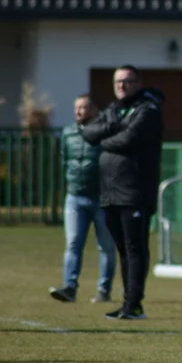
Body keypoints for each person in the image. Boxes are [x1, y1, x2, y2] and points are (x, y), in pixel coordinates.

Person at [81, 65, 165, 320]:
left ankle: (134, 305)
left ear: (138, 82)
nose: (122, 85)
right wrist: (111, 127)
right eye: (118, 81)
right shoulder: (113, 109)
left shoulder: (147, 110)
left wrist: (105, 140)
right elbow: (88, 132)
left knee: (135, 248)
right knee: (122, 250)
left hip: (135, 192)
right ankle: (127, 304)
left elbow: (129, 139)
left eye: (128, 81)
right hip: (109, 192)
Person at [49, 94, 117, 304]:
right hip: (75, 197)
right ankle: (69, 287)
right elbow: (64, 159)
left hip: (103, 199)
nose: (79, 111)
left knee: (105, 246)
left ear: (95, 110)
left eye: (84, 107)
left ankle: (103, 290)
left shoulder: (105, 131)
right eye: (76, 107)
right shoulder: (68, 132)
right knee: (73, 243)